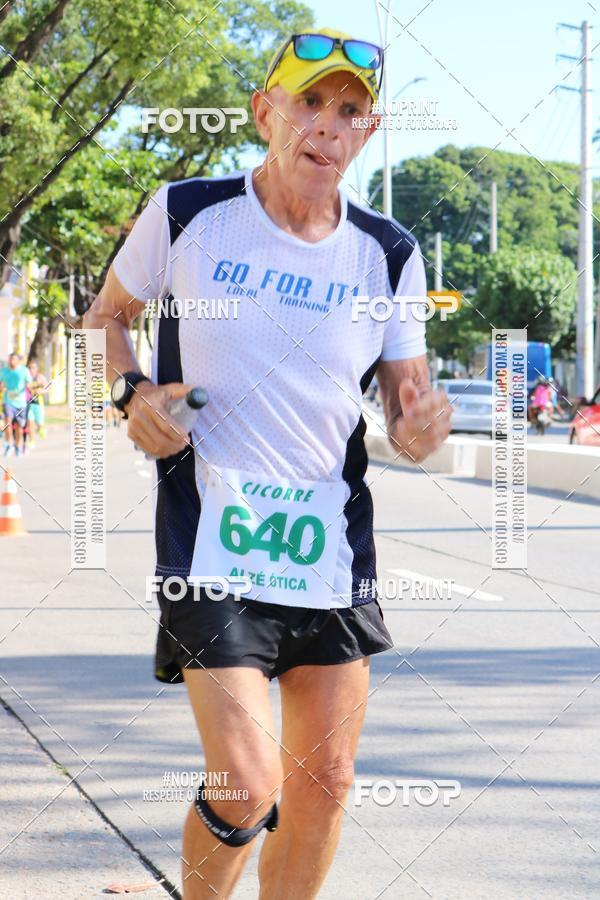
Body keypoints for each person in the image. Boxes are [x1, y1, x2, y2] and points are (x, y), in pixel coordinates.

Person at [84, 27, 451, 899]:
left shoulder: (389, 253)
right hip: (212, 540)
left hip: (328, 549)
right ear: (264, 113)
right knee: (246, 786)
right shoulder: (188, 212)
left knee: (326, 784)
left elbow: (409, 415)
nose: (328, 124)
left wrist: (423, 426)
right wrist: (132, 394)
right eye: (309, 102)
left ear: (366, 133)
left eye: (350, 111)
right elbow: (104, 319)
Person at [1, 352, 32, 457]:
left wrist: (32, 389)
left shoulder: (24, 371)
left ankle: (17, 445)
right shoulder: (4, 371)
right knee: (7, 422)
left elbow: (29, 384)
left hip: (21, 402)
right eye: (10, 359)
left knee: (19, 425)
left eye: (13, 359)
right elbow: (1, 383)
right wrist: (1, 387)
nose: (11, 361)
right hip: (8, 401)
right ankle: (8, 444)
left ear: (18, 361)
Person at [26, 360, 49, 447]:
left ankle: (41, 428)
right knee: (30, 422)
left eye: (33, 367)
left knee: (39, 423)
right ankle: (31, 441)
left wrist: (41, 390)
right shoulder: (26, 378)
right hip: (28, 404)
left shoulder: (40, 377)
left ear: (37, 369)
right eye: (29, 367)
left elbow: (47, 388)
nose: (31, 369)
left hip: (38, 404)